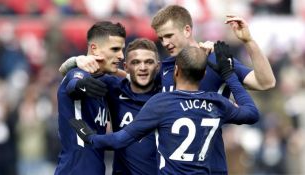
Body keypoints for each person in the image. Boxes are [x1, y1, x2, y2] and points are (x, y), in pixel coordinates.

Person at [58, 5, 275, 174]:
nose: (165, 42)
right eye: (161, 38)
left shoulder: (215, 61)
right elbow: (128, 74)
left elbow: (265, 82)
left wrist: (248, 41)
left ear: (187, 29)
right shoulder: (165, 69)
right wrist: (76, 61)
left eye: (169, 35)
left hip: (211, 164)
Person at [69, 43, 260, 174]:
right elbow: (252, 113)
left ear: (175, 71)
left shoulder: (162, 102)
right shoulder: (218, 103)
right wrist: (229, 75)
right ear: (203, 75)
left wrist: (90, 137)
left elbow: (119, 140)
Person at [55, 21, 126, 175]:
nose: (121, 55)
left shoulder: (105, 81)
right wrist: (82, 84)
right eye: (115, 49)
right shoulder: (78, 74)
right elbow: (72, 85)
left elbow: (134, 82)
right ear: (94, 49)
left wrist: (71, 61)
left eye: (121, 49)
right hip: (74, 170)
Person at [102, 38, 161, 174]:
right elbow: (75, 73)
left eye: (149, 62)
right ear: (126, 67)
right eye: (136, 62)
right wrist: (77, 61)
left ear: (158, 66)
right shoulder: (114, 91)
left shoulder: (167, 95)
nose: (143, 68)